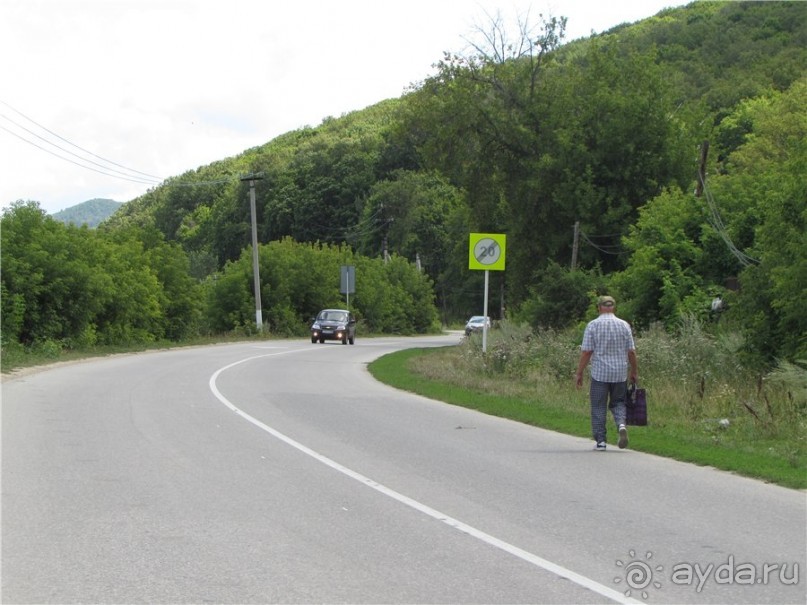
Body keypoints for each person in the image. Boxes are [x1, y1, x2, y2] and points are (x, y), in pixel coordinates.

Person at [575, 295, 638, 451]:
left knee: (598, 406)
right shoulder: (624, 325)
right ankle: (621, 425)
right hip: (619, 373)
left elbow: (586, 352)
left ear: (599, 307)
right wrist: (634, 371)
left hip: (600, 374)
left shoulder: (593, 325)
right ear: (614, 307)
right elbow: (631, 352)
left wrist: (579, 373)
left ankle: (601, 441)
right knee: (619, 403)